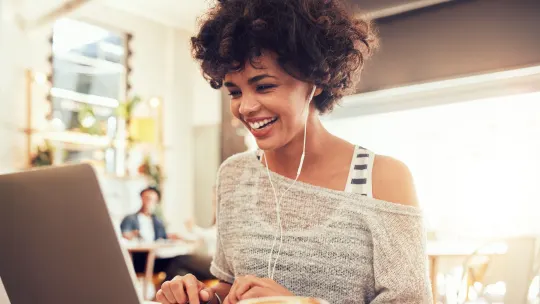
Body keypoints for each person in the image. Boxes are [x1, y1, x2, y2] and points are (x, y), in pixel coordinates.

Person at [156, 0, 432, 303]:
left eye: (263, 86)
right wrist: (203, 296)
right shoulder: (234, 176)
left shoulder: (382, 179)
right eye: (234, 91)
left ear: (315, 80)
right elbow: (231, 285)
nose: (245, 107)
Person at [120, 186, 214, 282]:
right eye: (147, 198)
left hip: (156, 258)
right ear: (141, 198)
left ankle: (164, 292)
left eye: (152, 199)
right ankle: (162, 293)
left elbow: (162, 238)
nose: (149, 202)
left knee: (177, 264)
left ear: (156, 202)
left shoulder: (157, 221)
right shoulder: (130, 219)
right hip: (139, 259)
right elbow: (123, 236)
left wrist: (176, 237)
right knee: (179, 263)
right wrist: (132, 234)